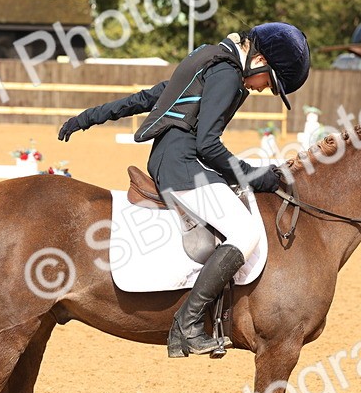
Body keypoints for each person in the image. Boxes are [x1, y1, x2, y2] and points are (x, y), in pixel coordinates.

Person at [57, 22, 310, 357]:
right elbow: (208, 145)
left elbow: (149, 98)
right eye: (271, 83)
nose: (265, 90)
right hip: (183, 166)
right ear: (260, 60)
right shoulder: (229, 74)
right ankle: (187, 325)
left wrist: (89, 117)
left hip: (172, 160)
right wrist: (255, 175)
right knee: (245, 234)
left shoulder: (208, 57)